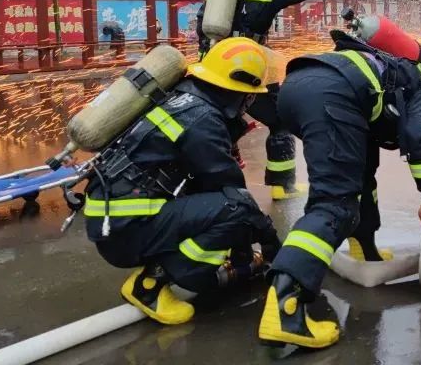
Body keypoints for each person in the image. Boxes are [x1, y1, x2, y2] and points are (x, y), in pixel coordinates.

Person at [257, 30, 421, 349]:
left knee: (359, 182)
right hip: (332, 93)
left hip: (296, 89)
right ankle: (286, 307)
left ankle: (364, 248)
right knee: (334, 204)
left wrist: (368, 252)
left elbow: (365, 179)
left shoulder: (390, 84)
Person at [82, 37, 282, 325]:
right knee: (236, 210)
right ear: (239, 91)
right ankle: (151, 284)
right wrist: (271, 242)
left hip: (114, 220)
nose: (250, 103)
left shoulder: (183, 98)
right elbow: (234, 196)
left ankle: (172, 266)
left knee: (224, 210)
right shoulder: (203, 119)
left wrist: (241, 249)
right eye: (250, 96)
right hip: (125, 231)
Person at [196, 0, 330, 200]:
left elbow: (203, 24)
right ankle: (283, 185)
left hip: (214, 64)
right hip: (247, 63)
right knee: (280, 120)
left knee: (218, 124)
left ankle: (216, 189)